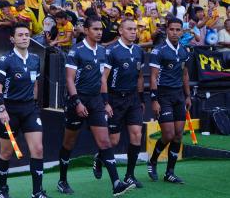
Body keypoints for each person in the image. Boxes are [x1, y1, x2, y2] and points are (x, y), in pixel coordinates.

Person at [57, 16, 135, 196]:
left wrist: (106, 102)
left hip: (96, 101)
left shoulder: (103, 51)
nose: (99, 32)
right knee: (69, 143)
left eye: (101, 29)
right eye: (95, 29)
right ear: (86, 30)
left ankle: (116, 183)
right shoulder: (76, 51)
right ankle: (62, 180)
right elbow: (69, 79)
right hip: (77, 100)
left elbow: (102, 79)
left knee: (105, 141)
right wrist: (77, 102)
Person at [0, 23, 48, 198]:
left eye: (27, 34)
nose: (25, 38)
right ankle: (3, 189)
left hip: (30, 109)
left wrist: (35, 104)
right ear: (12, 39)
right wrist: (1, 109)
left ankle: (37, 192)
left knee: (38, 149)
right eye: (20, 35)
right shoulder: (5, 60)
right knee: (6, 153)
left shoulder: (35, 59)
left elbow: (35, 84)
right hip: (9, 110)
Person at [98, 19, 145, 188]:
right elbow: (103, 78)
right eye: (130, 29)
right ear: (121, 31)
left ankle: (130, 175)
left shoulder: (140, 50)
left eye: (135, 29)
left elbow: (140, 76)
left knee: (137, 135)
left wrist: (141, 99)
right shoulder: (111, 51)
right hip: (115, 99)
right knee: (114, 141)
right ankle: (100, 157)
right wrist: (106, 102)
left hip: (132, 98)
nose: (133, 32)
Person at [147, 18, 191, 184]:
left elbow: (185, 74)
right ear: (167, 30)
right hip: (163, 95)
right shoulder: (158, 50)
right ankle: (153, 160)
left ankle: (170, 172)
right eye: (172, 29)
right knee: (169, 134)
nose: (174, 32)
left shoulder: (184, 50)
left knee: (178, 135)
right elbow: (153, 76)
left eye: (178, 29)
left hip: (179, 95)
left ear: (182, 32)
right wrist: (154, 99)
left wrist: (188, 96)